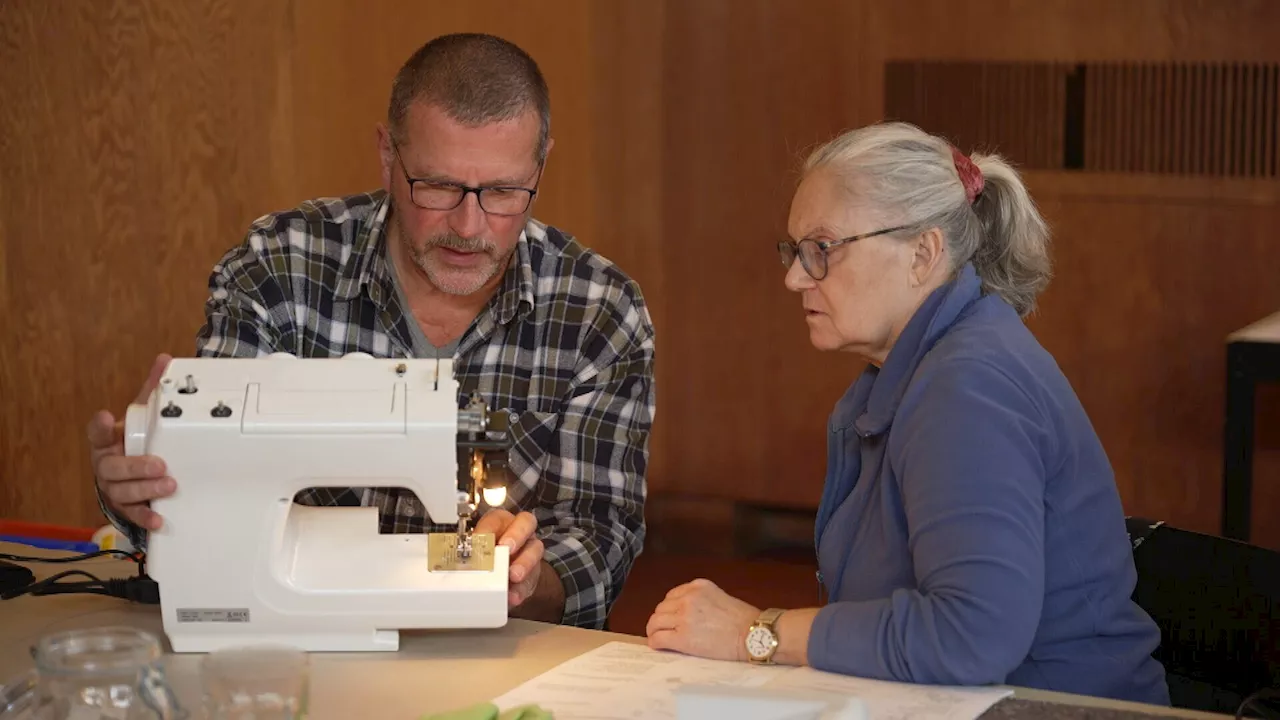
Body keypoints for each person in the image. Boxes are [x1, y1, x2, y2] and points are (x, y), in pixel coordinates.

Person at [86, 32, 656, 630]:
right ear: (388, 156)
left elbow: (600, 537)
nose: (468, 225)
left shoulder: (598, 312)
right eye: (436, 185)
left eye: (504, 192)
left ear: (539, 169)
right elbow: (203, 482)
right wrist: (146, 488)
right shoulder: (282, 269)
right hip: (290, 646)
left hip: (506, 652)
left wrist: (528, 579)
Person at [644, 121, 1170, 705]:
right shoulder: (930, 365)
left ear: (923, 254)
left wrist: (755, 632)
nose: (795, 277)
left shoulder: (967, 387)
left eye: (822, 249)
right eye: (795, 251)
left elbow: (971, 636)